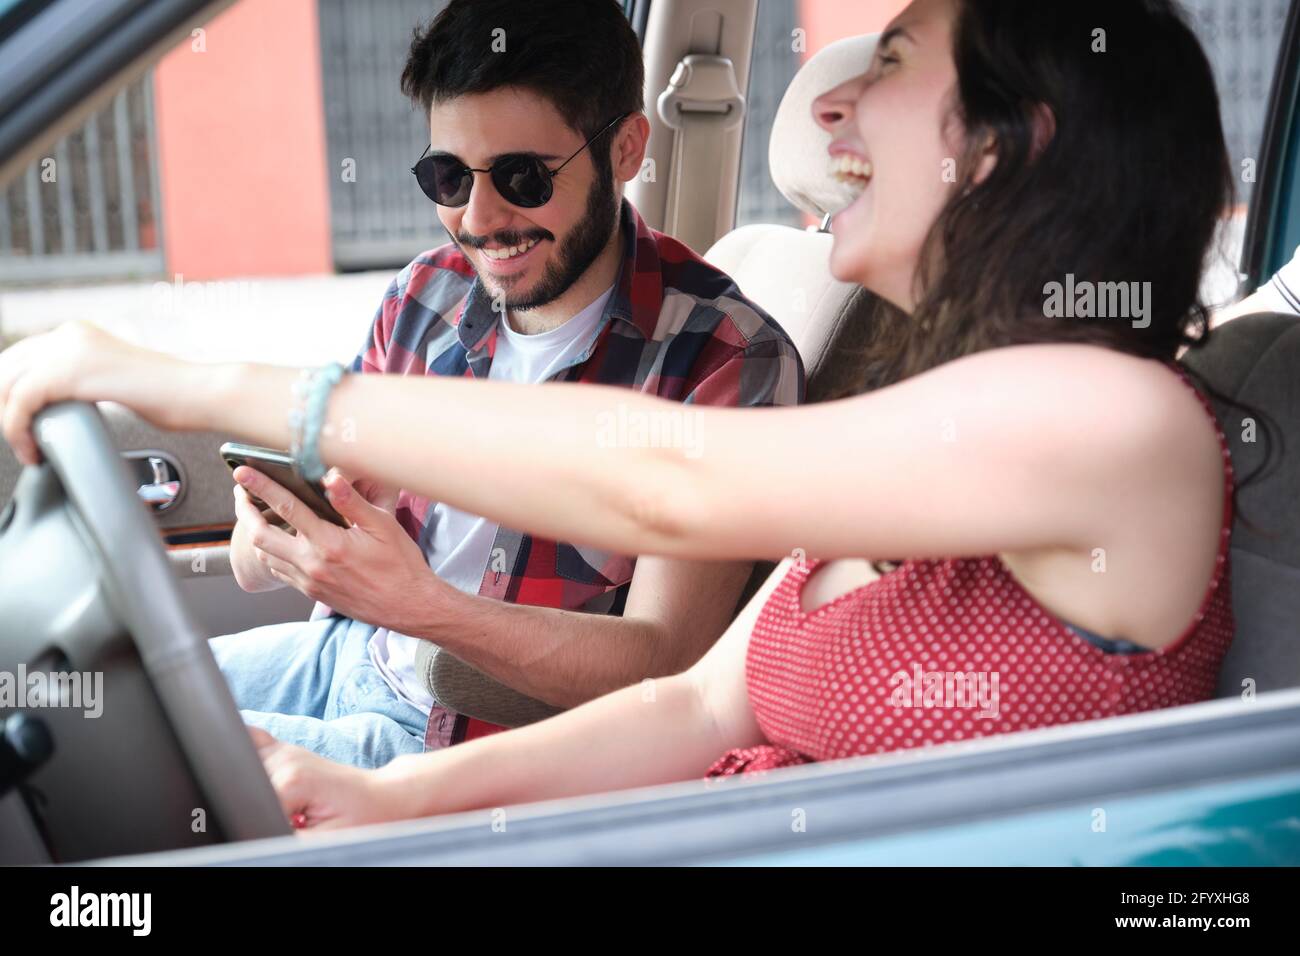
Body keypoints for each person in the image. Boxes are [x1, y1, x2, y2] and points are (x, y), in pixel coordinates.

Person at [0, 0, 1242, 828]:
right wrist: (386, 801)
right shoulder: (914, 435)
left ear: (1003, 146)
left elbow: (668, 479)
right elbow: (693, 708)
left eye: (894, 65)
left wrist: (181, 376)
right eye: (449, 179)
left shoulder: (1120, 424)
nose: (826, 109)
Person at [125, 0, 807, 769]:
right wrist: (278, 535)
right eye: (448, 176)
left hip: (473, 743)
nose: (479, 219)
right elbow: (264, 554)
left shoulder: (722, 356)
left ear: (623, 149)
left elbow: (667, 666)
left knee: (134, 767)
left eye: (523, 177)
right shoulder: (428, 294)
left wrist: (423, 607)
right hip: (350, 657)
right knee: (105, 715)